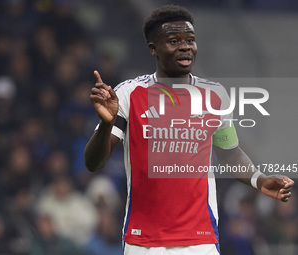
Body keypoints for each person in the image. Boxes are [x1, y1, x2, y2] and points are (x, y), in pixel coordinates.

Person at [84, 5, 294, 255]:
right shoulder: (129, 95)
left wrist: (258, 179)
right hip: (144, 242)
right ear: (153, 48)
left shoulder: (215, 96)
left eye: (190, 40)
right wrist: (107, 124)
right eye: (174, 41)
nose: (185, 47)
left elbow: (230, 153)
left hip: (200, 240)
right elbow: (94, 163)